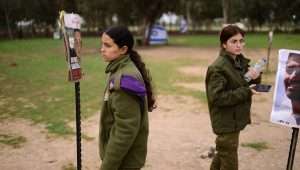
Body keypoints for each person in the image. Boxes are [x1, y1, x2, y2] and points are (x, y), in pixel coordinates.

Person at [98, 26, 156, 170]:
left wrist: (107, 166)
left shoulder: (124, 78)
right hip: (124, 158)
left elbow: (125, 130)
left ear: (123, 49)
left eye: (107, 45)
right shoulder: (119, 69)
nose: (102, 49)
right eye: (102, 44)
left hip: (124, 161)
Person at [205, 24, 261, 170]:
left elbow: (242, 83)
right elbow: (217, 98)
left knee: (222, 155)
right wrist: (246, 92)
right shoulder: (218, 68)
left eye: (241, 41)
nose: (239, 45)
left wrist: (255, 77)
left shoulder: (238, 62)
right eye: (233, 41)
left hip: (234, 120)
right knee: (229, 162)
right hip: (226, 123)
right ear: (224, 44)